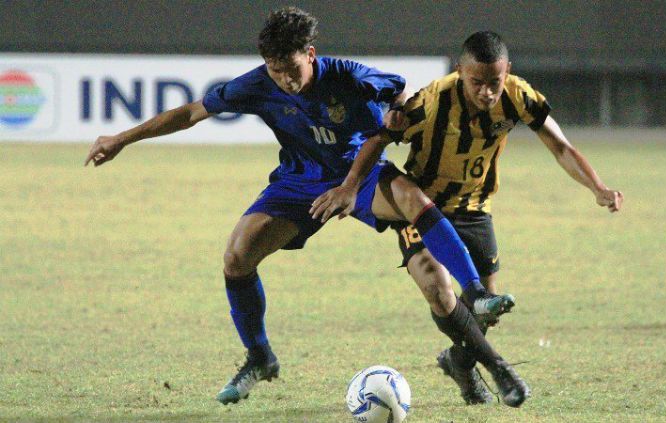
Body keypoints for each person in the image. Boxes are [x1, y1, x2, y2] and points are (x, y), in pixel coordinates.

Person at [84, 8, 512, 405]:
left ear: (311, 53)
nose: (286, 80)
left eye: (293, 69)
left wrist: (396, 116)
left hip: (358, 176)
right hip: (298, 183)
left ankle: (473, 291)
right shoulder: (257, 84)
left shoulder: (348, 76)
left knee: (410, 198)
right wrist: (121, 139)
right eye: (277, 72)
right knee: (237, 256)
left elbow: (398, 90)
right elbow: (192, 112)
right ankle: (259, 357)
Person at [313, 31, 623, 407]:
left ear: (507, 71)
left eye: (495, 82)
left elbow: (560, 146)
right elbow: (378, 140)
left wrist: (597, 187)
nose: (488, 92)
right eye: (477, 82)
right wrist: (349, 187)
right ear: (460, 72)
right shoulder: (429, 102)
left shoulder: (518, 96)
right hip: (424, 208)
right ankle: (498, 369)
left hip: (476, 208)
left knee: (487, 307)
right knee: (439, 291)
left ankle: (459, 363)